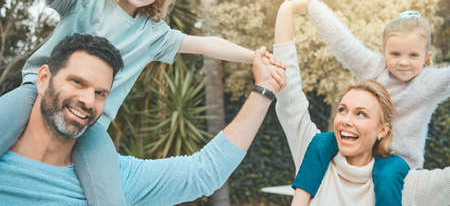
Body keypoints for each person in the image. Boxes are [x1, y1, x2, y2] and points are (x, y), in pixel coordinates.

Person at [0, 0, 283, 205]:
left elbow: (208, 45)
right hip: (32, 95)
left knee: (108, 195)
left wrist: (255, 56)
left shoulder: (153, 35)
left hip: (93, 125)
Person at [0, 33, 286, 205]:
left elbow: (203, 172)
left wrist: (264, 90)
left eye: (100, 92)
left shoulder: (110, 178)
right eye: (77, 82)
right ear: (43, 79)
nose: (88, 101)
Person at [272, 0, 449, 206]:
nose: (403, 62)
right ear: (384, 53)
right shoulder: (373, 68)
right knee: (319, 142)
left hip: (399, 162)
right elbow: (342, 43)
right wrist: (307, 7)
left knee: (386, 176)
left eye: (361, 113)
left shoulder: (411, 186)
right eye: (342, 110)